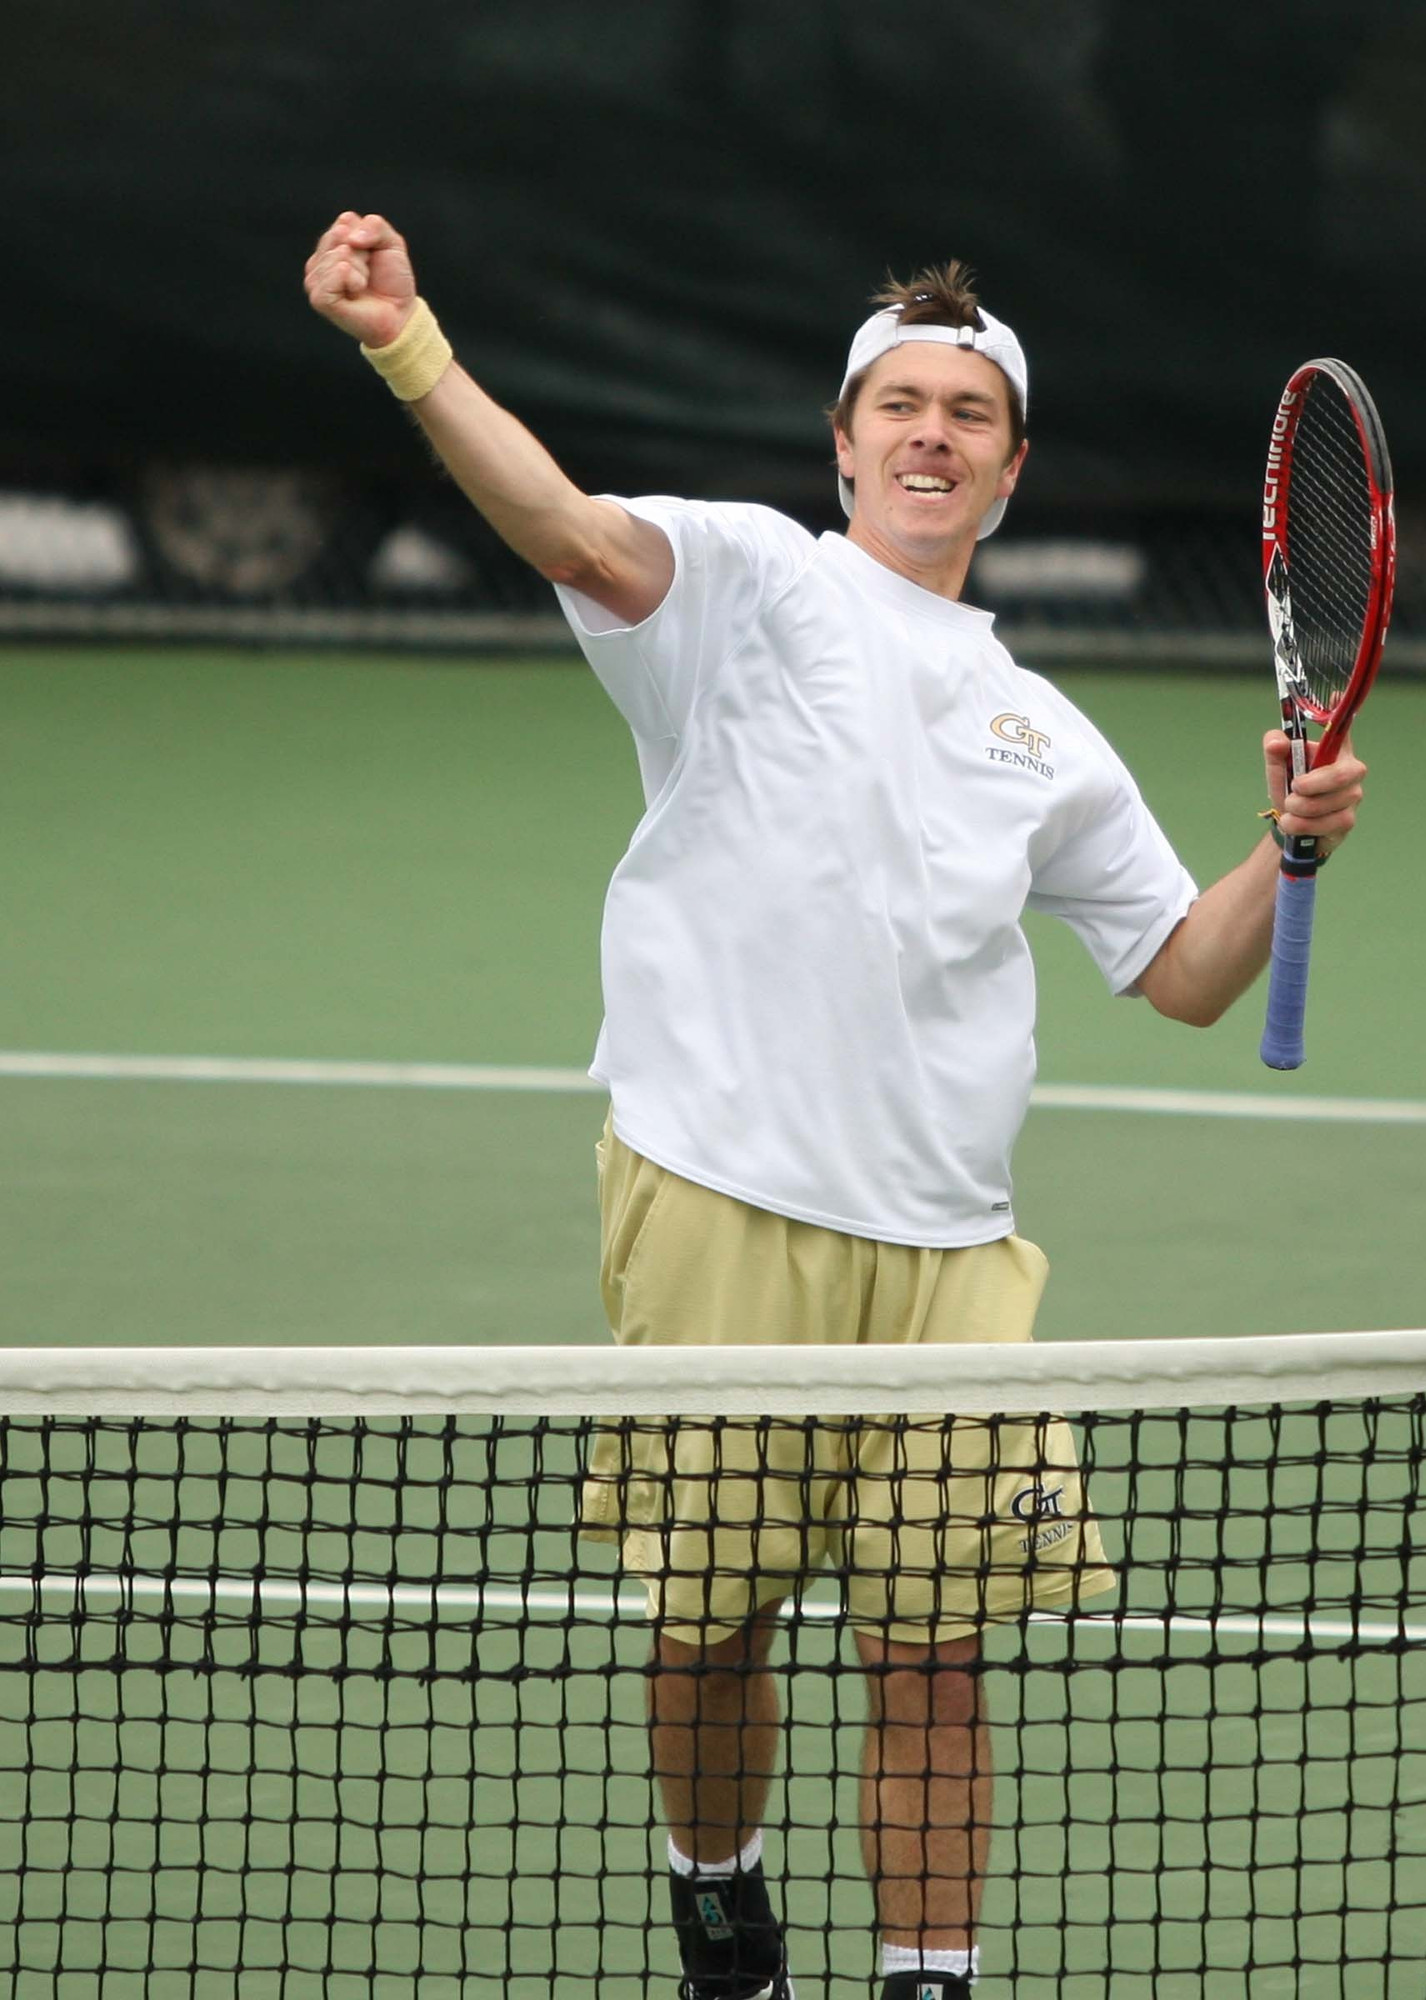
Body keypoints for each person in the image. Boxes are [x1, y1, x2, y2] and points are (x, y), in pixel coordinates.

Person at [304, 213, 1368, 2000]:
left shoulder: (1046, 735)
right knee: (714, 1634)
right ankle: (717, 1885)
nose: (930, 432)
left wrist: (1285, 848)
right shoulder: (746, 585)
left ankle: (924, 1983)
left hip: (952, 1257)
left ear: (1011, 469)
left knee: (934, 1664)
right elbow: (563, 523)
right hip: (719, 1196)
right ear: (846, 441)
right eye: (900, 403)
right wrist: (406, 342)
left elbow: (1187, 971)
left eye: (967, 411)